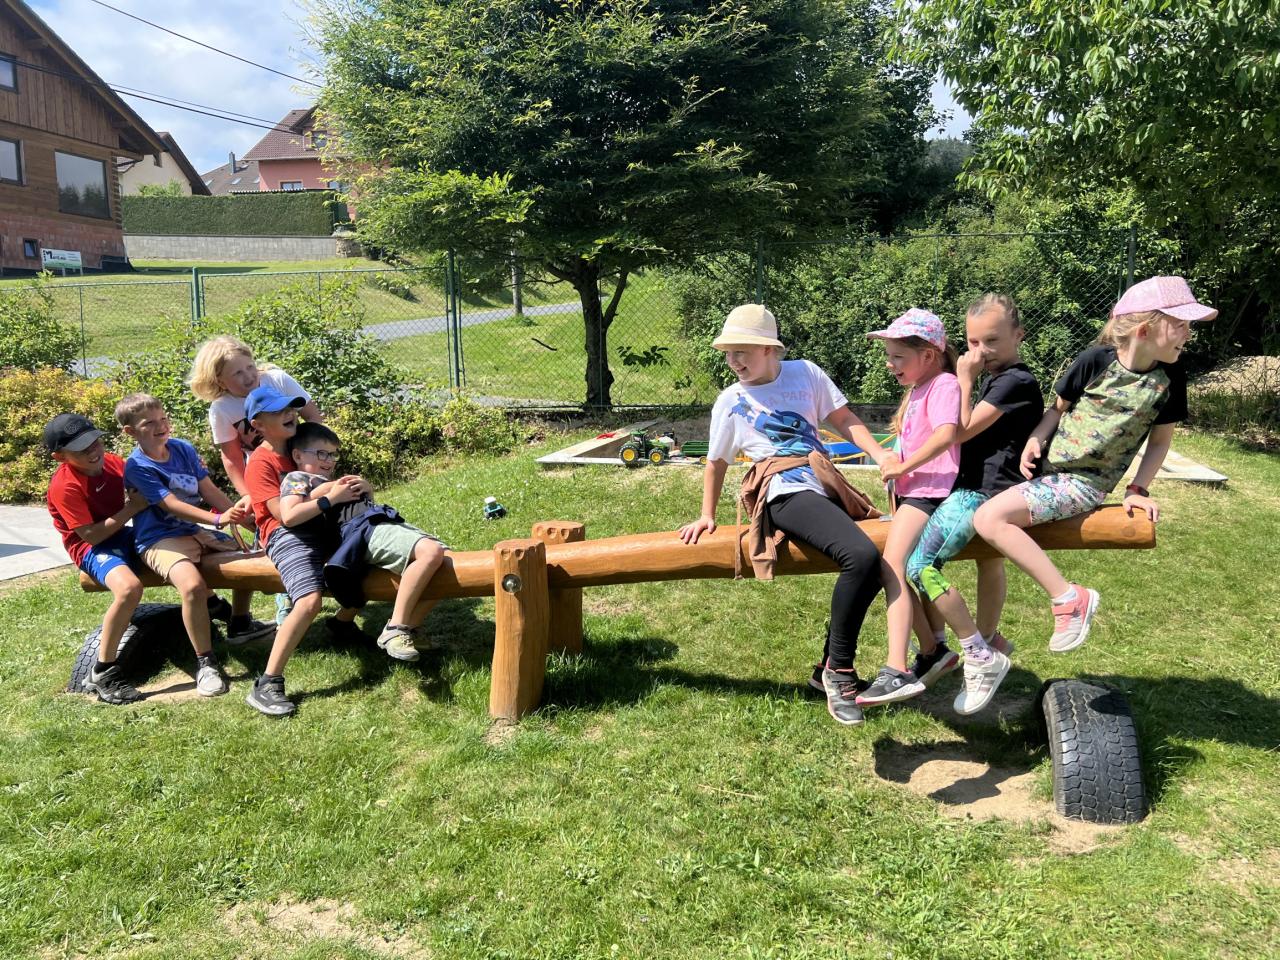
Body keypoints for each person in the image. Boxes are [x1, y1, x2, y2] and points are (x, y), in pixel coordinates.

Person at [973, 276, 1216, 652]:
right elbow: (1057, 411)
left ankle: (1068, 598)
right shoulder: (1094, 361)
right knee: (983, 535)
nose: (1188, 334)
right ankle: (987, 641)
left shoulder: (1170, 378)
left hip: (1084, 483)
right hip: (1045, 472)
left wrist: (1137, 489)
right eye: (1181, 324)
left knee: (990, 520)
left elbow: (1159, 441)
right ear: (1145, 330)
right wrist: (1036, 438)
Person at [677, 304, 886, 727]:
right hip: (783, 492)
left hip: (823, 482)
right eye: (728, 353)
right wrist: (705, 515)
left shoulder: (805, 373)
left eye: (742, 351)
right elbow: (716, 462)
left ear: (770, 350)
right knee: (862, 556)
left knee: (879, 555)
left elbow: (843, 418)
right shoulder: (732, 400)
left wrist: (882, 455)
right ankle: (839, 670)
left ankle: (827, 667)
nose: (734, 361)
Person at [902, 294, 1042, 714]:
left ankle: (977, 651)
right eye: (973, 342)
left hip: (981, 492)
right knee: (989, 561)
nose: (981, 351)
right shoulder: (998, 378)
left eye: (992, 341)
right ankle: (988, 638)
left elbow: (959, 430)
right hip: (990, 488)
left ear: (1019, 335)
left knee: (919, 566)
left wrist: (963, 379)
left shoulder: (1013, 381)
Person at [118, 394, 275, 697]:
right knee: (192, 588)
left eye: (163, 419)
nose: (161, 426)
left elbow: (209, 490)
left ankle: (240, 623)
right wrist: (218, 519)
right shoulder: (137, 466)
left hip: (193, 531)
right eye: (149, 423)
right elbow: (171, 504)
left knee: (248, 558)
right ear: (130, 431)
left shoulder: (182, 449)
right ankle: (206, 662)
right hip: (158, 538)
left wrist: (246, 521)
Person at [856, 309, 962, 708]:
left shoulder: (944, 384)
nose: (890, 363)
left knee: (892, 565)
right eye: (889, 355)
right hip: (913, 491)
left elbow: (946, 436)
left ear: (929, 355)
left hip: (929, 492)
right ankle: (934, 650)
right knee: (904, 567)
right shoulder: (919, 388)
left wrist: (904, 466)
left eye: (898, 356)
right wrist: (893, 463)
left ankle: (896, 668)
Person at [278, 421, 448, 662]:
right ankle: (396, 628)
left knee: (446, 561)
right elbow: (289, 515)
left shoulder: (328, 481)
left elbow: (358, 506)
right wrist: (331, 495)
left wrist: (367, 490)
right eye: (321, 453)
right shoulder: (297, 478)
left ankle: (412, 626)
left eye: (333, 454)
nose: (329, 460)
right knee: (430, 552)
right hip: (363, 532)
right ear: (297, 455)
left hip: (375, 523)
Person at [241, 384, 361, 716]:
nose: (290, 414)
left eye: (291, 409)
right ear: (258, 424)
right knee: (309, 601)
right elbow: (284, 516)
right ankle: (268, 682)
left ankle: (343, 624)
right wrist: (329, 499)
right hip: (286, 534)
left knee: (364, 558)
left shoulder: (302, 447)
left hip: (322, 525)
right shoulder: (261, 461)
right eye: (279, 412)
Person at [190, 335, 322, 625]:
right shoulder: (222, 408)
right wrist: (248, 494)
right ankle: (278, 600)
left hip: (302, 467)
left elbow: (314, 417)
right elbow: (231, 458)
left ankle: (310, 583)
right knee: (273, 534)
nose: (249, 376)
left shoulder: (277, 380)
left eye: (249, 366)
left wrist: (314, 462)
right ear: (219, 380)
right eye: (237, 373)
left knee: (310, 523)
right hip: (264, 475)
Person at [44, 413, 149, 704]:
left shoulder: (113, 463)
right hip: (91, 548)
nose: (93, 451)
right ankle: (103, 670)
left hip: (120, 534)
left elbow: (147, 482)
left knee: (177, 548)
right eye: (81, 449)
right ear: (60, 457)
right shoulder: (65, 486)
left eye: (95, 442)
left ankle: (217, 607)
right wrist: (132, 508)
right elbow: (90, 535)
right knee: (129, 589)